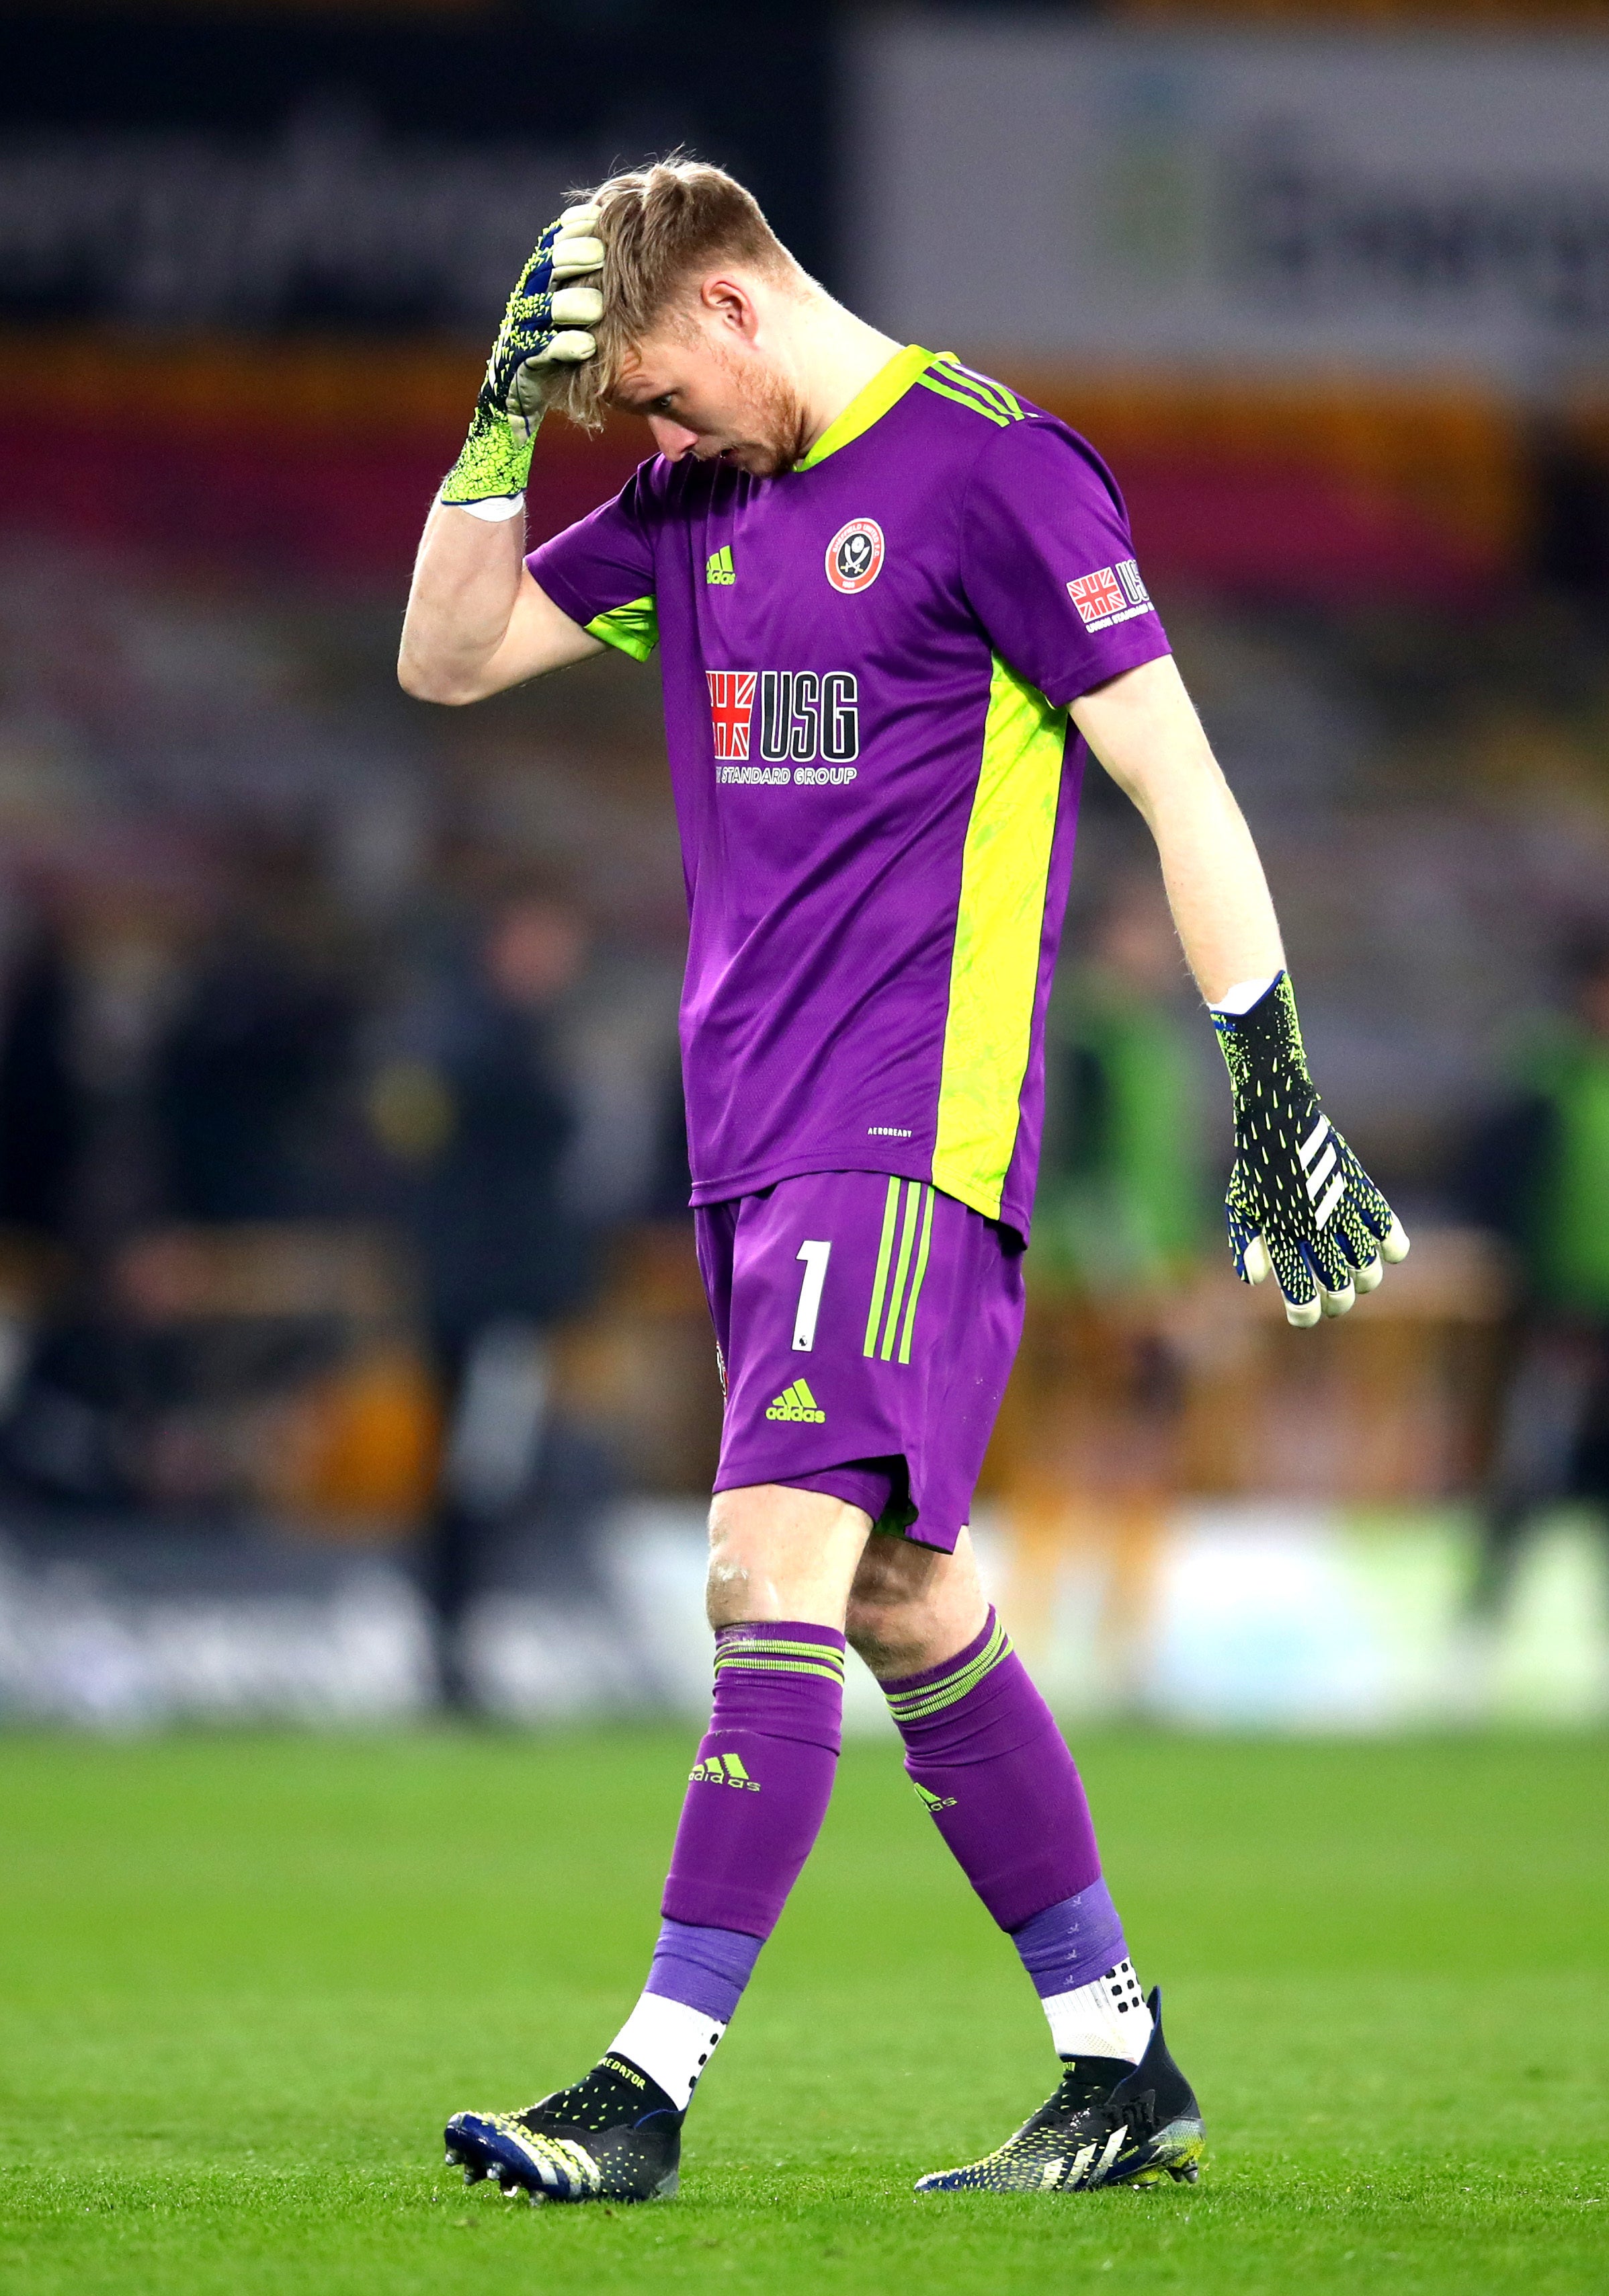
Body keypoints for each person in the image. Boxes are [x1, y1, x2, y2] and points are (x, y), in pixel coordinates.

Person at [395, 158, 1404, 2203]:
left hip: (902, 1127)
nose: (653, 444)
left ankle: (642, 2082)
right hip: (747, 1131)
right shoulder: (700, 497)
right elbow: (449, 651)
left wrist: (1269, 1069)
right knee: (893, 1590)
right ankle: (1114, 2059)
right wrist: (499, 418)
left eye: (657, 396)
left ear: (741, 312)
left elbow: (1170, 773)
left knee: (759, 1568)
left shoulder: (988, 475)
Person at [1457, 936, 1609, 1689]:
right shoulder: (1547, 1083)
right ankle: (1476, 1639)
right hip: (1556, 1316)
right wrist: (1542, 1293)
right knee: (1529, 1474)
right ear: (1590, 995)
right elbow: (1491, 1187)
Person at [381, 891, 601, 1713]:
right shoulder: (486, 1045)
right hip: (491, 1301)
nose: (559, 962)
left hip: (477, 1291)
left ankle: (455, 1639)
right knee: (481, 1469)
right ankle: (452, 1647)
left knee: (484, 1466)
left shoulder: (471, 1039)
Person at [999, 876, 1213, 1706]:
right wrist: (1124, 1279)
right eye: (1144, 934)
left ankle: (1129, 1640)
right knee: (1070, 1447)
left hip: (1154, 1279)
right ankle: (1037, 1631)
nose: (1161, 951)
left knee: (1141, 1455)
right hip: (1089, 1279)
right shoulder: (1080, 1035)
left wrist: (1190, 1276)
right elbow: (1078, 1173)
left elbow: (1169, 1175)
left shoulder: (1154, 1042)